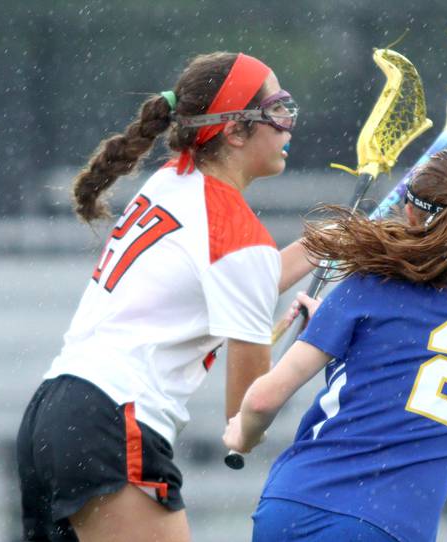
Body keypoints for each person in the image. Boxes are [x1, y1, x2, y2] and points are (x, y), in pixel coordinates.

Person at [16, 51, 315, 542]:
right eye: (278, 110)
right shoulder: (240, 239)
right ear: (236, 131)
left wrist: (324, 245)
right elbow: (244, 418)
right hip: (115, 423)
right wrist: (306, 346)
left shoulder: (172, 179)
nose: (288, 126)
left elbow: (230, 276)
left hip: (55, 412)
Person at [223, 148, 447, 542]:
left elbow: (262, 401)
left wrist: (243, 433)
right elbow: (410, 359)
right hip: (389, 526)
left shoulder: (366, 288)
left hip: (296, 506)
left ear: (409, 212)